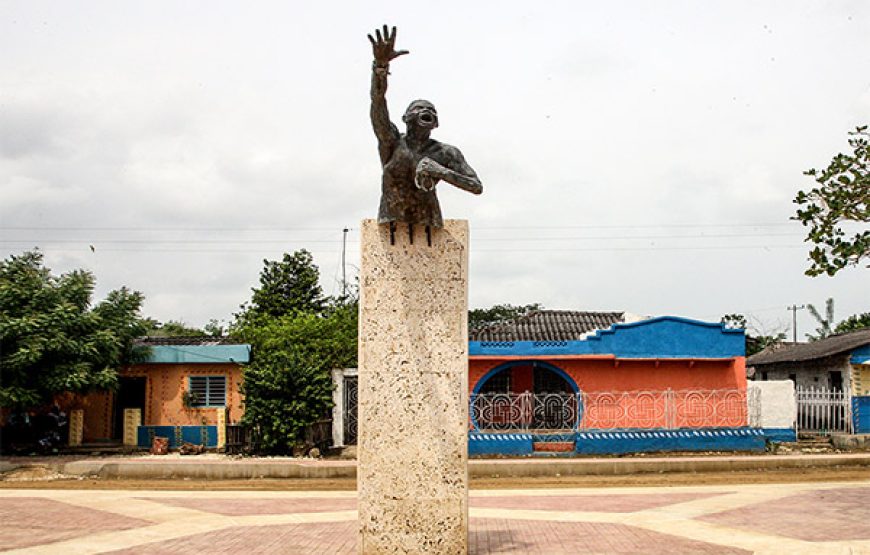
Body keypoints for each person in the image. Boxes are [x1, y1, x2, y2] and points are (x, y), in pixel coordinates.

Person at [368, 25, 482, 232]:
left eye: (431, 111)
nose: (426, 111)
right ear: (405, 118)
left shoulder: (446, 152)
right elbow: (377, 102)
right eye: (419, 109)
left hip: (429, 224)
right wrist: (380, 67)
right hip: (392, 223)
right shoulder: (392, 141)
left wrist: (441, 171)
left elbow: (476, 186)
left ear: (436, 123)